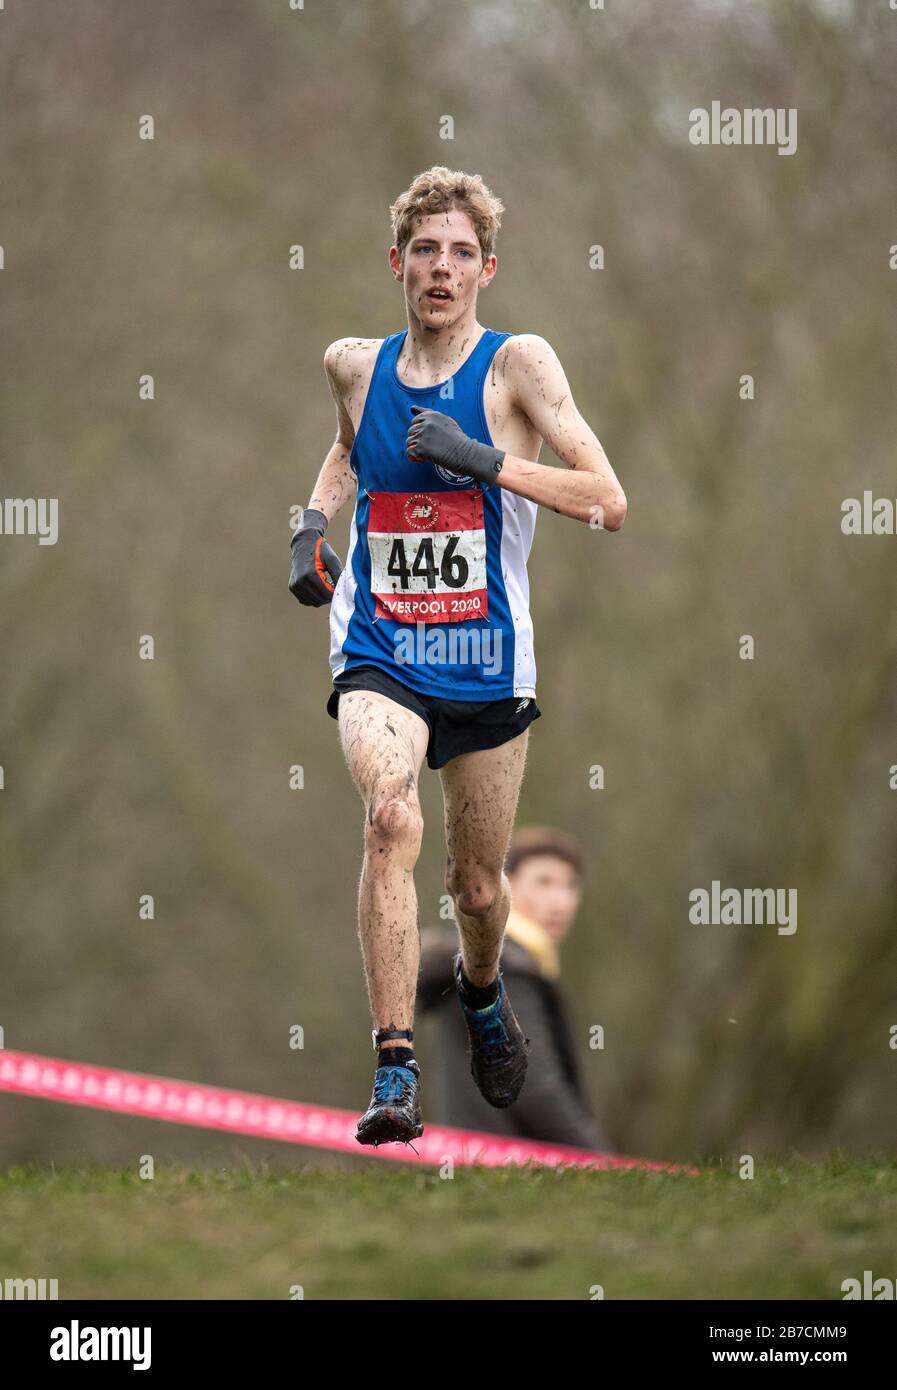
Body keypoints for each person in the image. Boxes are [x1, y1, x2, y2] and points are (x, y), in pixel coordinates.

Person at [288, 166, 626, 1146]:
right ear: (398, 264)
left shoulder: (519, 367)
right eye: (425, 251)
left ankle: (482, 992)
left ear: (488, 270)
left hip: (484, 658)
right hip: (382, 647)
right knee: (389, 815)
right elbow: (347, 449)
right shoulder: (354, 363)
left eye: (461, 254)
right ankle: (394, 1063)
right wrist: (311, 523)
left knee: (476, 888)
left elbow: (607, 497)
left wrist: (484, 462)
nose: (442, 268)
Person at [418, 826, 610, 1152]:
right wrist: (601, 1161)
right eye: (544, 882)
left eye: (570, 885)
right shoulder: (508, 967)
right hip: (511, 1167)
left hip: (479, 1163)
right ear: (504, 885)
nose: (560, 901)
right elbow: (537, 1091)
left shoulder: (502, 961)